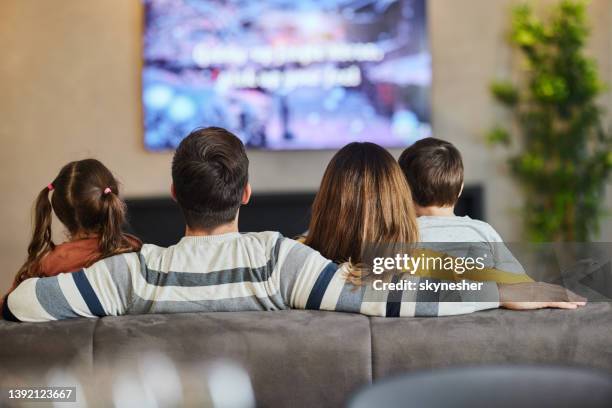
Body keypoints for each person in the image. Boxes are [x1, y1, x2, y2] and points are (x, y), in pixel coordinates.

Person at [2, 128, 585, 323]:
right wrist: (502, 287)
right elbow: (389, 294)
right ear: (247, 194)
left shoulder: (130, 275)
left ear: (175, 193)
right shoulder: (282, 261)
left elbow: (22, 303)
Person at [1, 159, 141, 309]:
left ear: (59, 212)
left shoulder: (47, 264)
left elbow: (8, 307)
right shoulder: (133, 248)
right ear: (112, 199)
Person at [398, 137, 527, 275]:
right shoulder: (482, 231)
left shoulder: (400, 235)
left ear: (403, 190)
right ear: (460, 188)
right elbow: (518, 279)